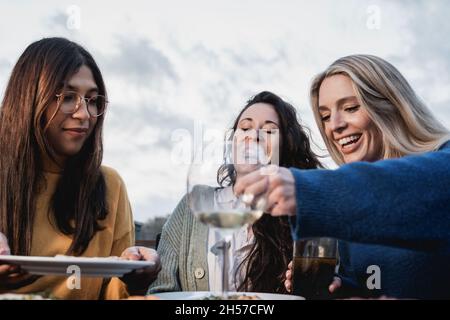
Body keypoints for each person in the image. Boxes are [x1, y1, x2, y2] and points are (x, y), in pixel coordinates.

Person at [234, 55, 450, 299]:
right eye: (325, 116)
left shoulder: (442, 162)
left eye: (350, 108)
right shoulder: (348, 212)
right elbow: (377, 284)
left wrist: (306, 190)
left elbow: (428, 187)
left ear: (392, 106)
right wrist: (343, 288)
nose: (334, 126)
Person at [0, 38, 160, 299]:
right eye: (67, 97)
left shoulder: (109, 185)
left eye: (92, 100)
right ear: (28, 99)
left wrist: (137, 277)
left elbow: (115, 293)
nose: (84, 113)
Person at [149, 91, 322, 294]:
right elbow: (160, 291)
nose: (253, 135)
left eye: (269, 131)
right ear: (233, 143)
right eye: (245, 127)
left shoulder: (303, 215)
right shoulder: (193, 206)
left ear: (284, 147)